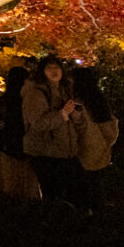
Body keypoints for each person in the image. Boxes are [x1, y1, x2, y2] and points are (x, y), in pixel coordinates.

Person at [22, 56, 84, 208]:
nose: (54, 71)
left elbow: (73, 118)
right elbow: (37, 123)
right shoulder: (36, 92)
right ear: (42, 72)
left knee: (69, 197)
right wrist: (62, 114)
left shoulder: (65, 89)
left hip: (65, 151)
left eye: (57, 67)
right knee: (54, 198)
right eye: (49, 68)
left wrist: (74, 114)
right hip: (46, 153)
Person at [71, 65, 118, 214]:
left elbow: (79, 128)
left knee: (82, 193)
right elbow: (112, 130)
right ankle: (99, 223)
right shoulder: (99, 102)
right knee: (98, 192)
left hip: (83, 151)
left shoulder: (77, 104)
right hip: (101, 152)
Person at [0, 67, 41, 201]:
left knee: (8, 188)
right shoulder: (29, 102)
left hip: (6, 150)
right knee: (27, 191)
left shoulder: (2, 102)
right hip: (26, 151)